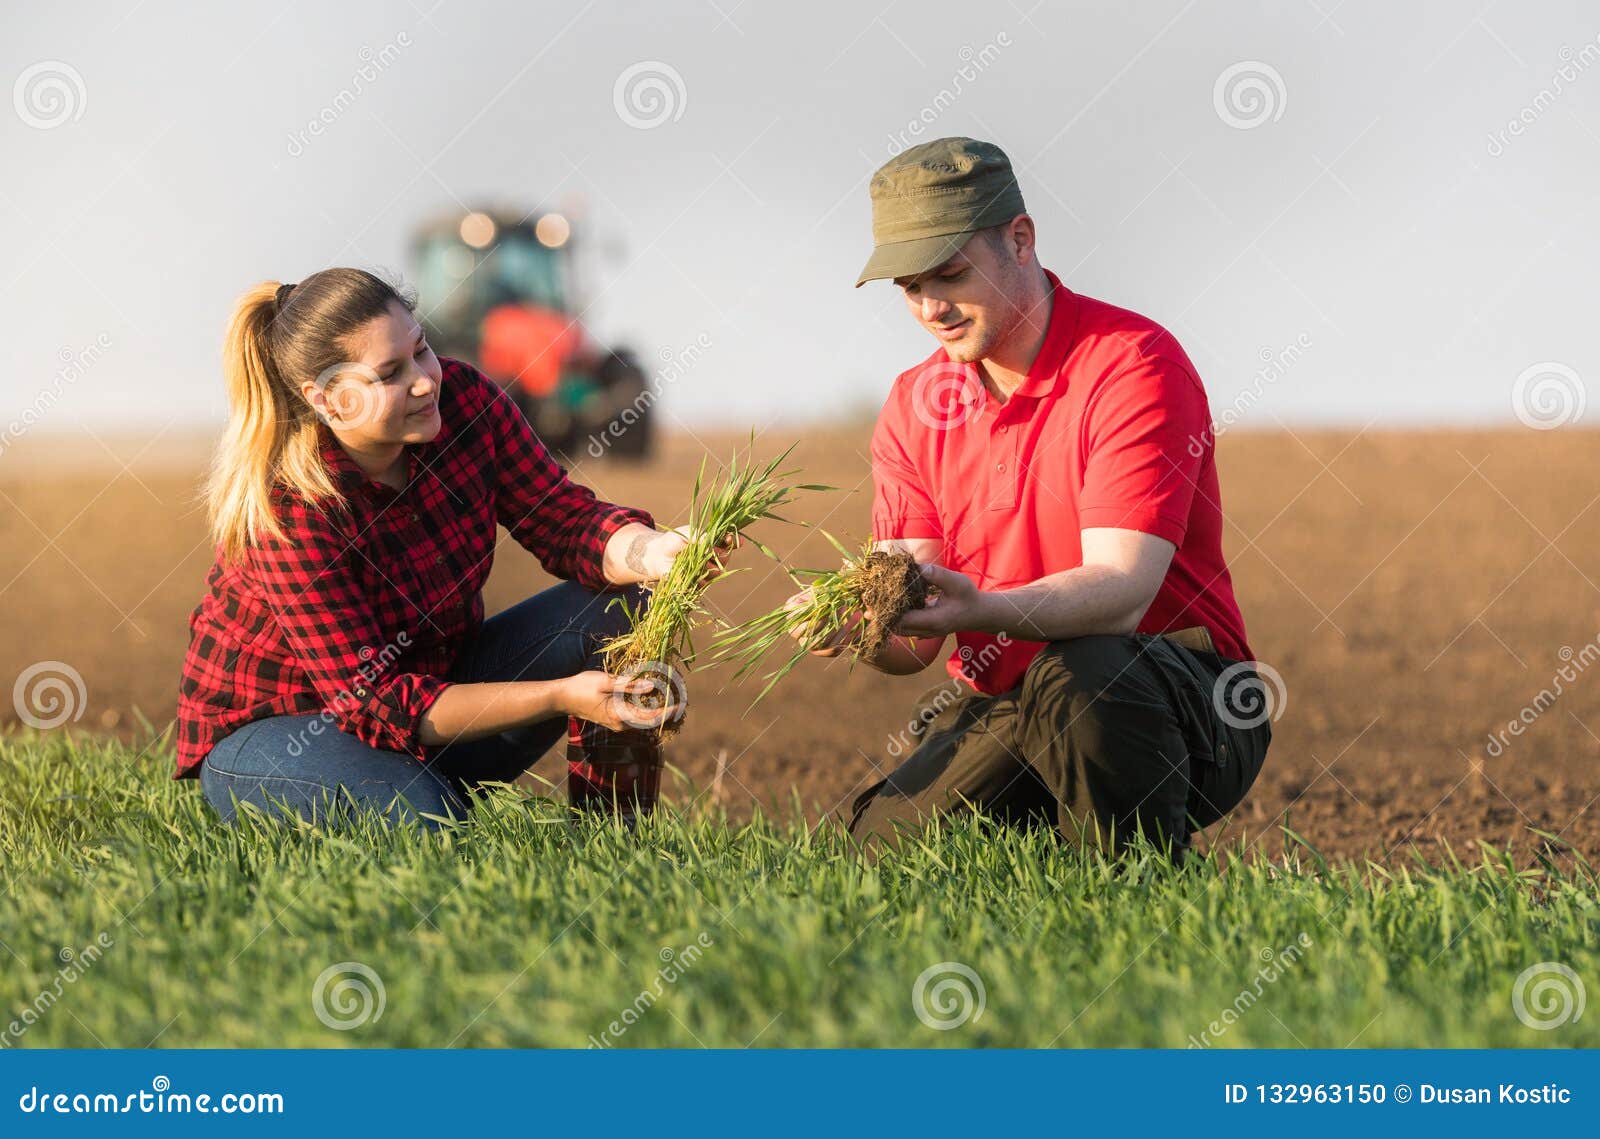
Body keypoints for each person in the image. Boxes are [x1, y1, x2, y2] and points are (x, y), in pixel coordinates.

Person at [795, 137, 1273, 863]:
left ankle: (1141, 885)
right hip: (1005, 700)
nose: (930, 306)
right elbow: (913, 640)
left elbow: (1120, 593)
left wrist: (980, 609)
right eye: (908, 286)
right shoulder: (914, 406)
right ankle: (1055, 846)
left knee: (1077, 677)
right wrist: (858, 625)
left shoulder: (1132, 364)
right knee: (877, 857)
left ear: (1021, 239)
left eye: (949, 274)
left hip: (1175, 690)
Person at [175, 267, 715, 830]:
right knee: (433, 826)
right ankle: (411, 796)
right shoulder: (290, 508)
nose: (425, 380)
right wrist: (561, 696)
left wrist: (656, 553)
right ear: (328, 400)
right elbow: (374, 701)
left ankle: (616, 838)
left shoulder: (467, 405)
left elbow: (565, 520)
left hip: (428, 699)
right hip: (280, 732)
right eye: (389, 373)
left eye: (421, 349)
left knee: (615, 605)